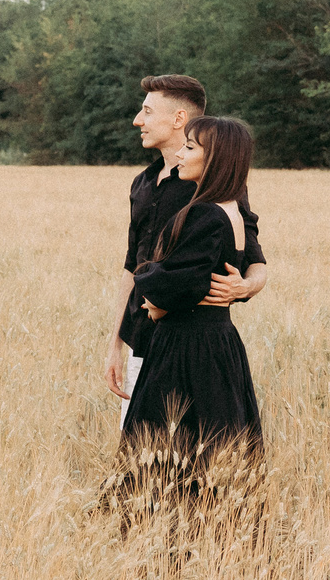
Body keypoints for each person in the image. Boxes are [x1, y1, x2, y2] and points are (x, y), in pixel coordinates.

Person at [106, 113, 266, 524]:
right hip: (213, 339)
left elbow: (186, 281)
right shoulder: (222, 209)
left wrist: (150, 281)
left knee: (163, 449)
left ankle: (160, 540)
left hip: (187, 345)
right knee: (211, 442)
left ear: (215, 159)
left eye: (191, 148)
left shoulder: (207, 212)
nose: (182, 152)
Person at [105, 75, 264, 403]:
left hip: (186, 340)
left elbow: (252, 256)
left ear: (178, 118)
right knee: (145, 448)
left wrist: (248, 286)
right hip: (140, 337)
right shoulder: (143, 183)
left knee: (184, 446)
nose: (138, 120)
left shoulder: (212, 189)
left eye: (147, 112)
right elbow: (131, 266)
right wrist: (114, 345)